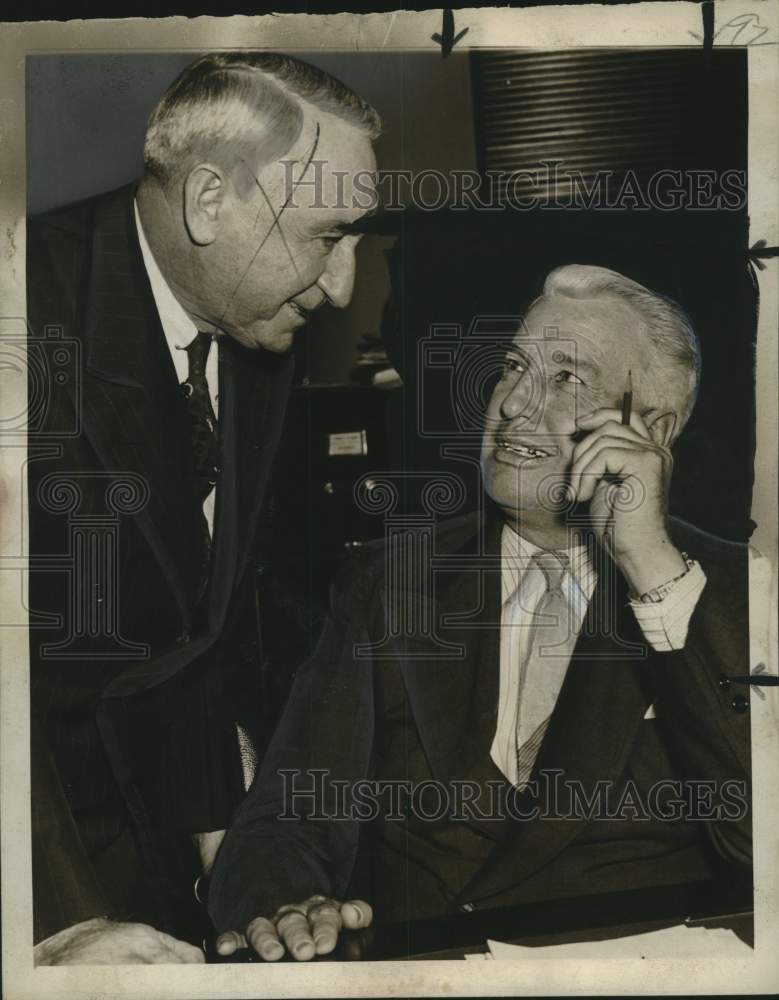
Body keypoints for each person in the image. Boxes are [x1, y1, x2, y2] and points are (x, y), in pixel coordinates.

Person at [208, 264, 753, 961]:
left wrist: (649, 569)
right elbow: (291, 812)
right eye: (513, 367)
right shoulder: (390, 583)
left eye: (567, 378)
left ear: (655, 430)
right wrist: (288, 906)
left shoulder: (729, 592)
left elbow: (757, 841)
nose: (515, 403)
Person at [28, 51, 380, 965]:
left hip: (143, 842)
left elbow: (197, 628)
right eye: (327, 236)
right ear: (210, 201)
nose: (342, 287)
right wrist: (57, 923)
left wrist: (238, 854)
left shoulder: (254, 332)